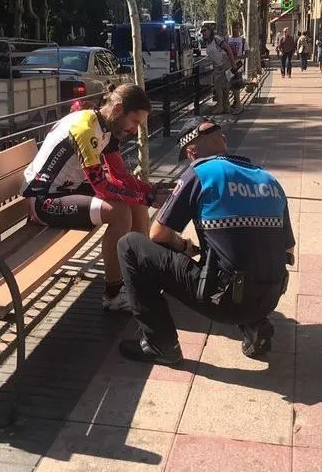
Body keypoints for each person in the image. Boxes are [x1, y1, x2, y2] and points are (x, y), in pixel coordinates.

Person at [116, 117, 296, 364]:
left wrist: (184, 246)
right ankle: (255, 323)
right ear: (222, 140)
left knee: (131, 245)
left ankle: (161, 343)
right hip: (270, 297)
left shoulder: (201, 173)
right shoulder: (268, 180)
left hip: (223, 301)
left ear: (191, 150)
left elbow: (158, 233)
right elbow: (288, 249)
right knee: (246, 253)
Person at [21, 83, 171, 312]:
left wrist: (148, 191)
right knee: (119, 213)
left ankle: (139, 279)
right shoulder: (84, 129)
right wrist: (147, 197)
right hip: (42, 200)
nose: (134, 130)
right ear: (118, 108)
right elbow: (101, 186)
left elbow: (119, 175)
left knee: (136, 203)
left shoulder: (106, 128)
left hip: (69, 191)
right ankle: (112, 294)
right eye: (135, 122)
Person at [200, 25, 238, 114]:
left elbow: (228, 49)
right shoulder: (207, 42)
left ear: (210, 30)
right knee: (220, 87)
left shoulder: (217, 39)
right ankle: (223, 106)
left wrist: (233, 64)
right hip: (217, 67)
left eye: (205, 30)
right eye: (202, 32)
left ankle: (223, 106)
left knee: (223, 87)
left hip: (225, 64)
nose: (203, 33)